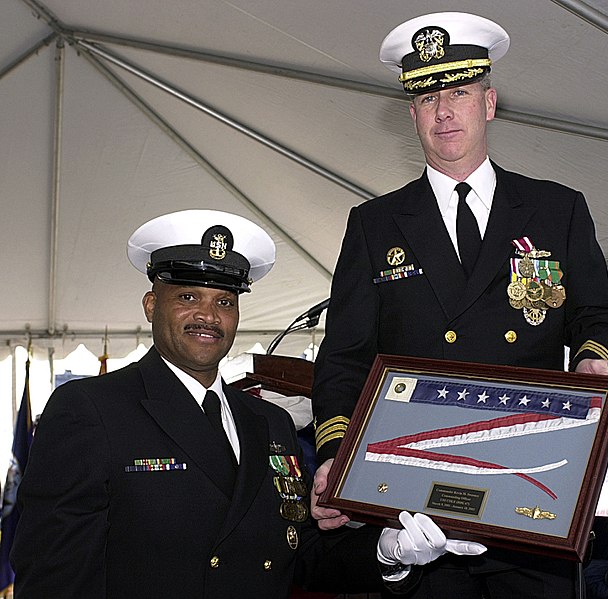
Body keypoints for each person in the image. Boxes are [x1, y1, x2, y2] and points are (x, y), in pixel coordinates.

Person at [310, 12, 608, 599]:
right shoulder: (374, 224)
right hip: (419, 498)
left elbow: (600, 313)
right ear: (410, 113)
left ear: (488, 103)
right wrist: (337, 453)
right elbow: (344, 359)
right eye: (428, 97)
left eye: (458, 92)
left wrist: (594, 362)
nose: (443, 112)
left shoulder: (555, 208)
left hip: (533, 482)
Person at [10, 209, 484, 598]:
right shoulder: (91, 409)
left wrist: (391, 552)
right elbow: (54, 576)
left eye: (225, 302)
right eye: (188, 296)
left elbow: (300, 559)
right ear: (152, 305)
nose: (208, 316)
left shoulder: (270, 421)